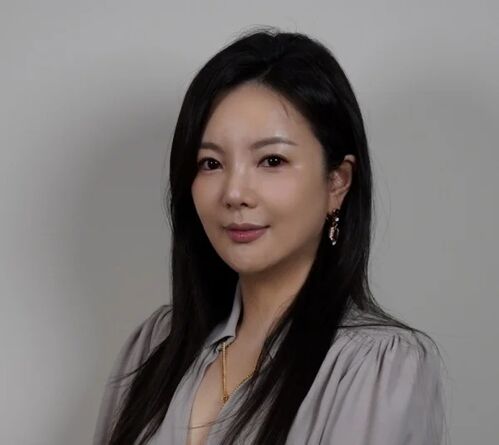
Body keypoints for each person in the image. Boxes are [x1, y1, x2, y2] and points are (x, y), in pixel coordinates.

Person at [92, 26, 448, 445]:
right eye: (211, 163)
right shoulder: (156, 344)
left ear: (337, 182)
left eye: (272, 160)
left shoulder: (376, 368)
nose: (234, 193)